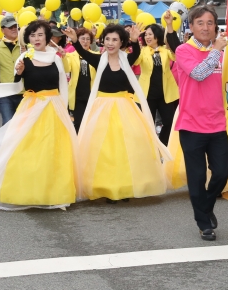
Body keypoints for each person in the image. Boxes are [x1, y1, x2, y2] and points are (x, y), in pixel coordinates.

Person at [0, 20, 79, 210]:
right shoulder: (24, 57)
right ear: (28, 38)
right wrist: (19, 74)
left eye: (40, 35)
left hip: (54, 107)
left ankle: (55, 192)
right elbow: (19, 85)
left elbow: (63, 85)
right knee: (25, 147)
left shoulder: (56, 57)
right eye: (33, 35)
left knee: (53, 150)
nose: (36, 39)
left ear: (47, 37)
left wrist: (66, 109)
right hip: (32, 106)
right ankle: (25, 191)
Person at [62, 23, 171, 203]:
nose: (110, 43)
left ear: (121, 42)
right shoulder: (98, 59)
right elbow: (83, 53)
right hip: (101, 108)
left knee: (126, 148)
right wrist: (74, 41)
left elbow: (135, 53)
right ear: (103, 41)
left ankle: (125, 186)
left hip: (125, 108)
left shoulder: (127, 59)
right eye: (107, 39)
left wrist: (135, 41)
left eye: (115, 40)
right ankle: (107, 187)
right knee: (104, 150)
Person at [166, 6, 228, 240]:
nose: (206, 27)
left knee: (223, 172)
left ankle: (207, 204)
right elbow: (199, 73)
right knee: (197, 176)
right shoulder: (184, 50)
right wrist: (216, 51)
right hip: (191, 125)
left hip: (218, 124)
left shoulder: (225, 52)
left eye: (210, 23)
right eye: (200, 23)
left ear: (216, 26)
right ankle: (204, 223)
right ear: (191, 26)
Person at [134, 21, 180, 146]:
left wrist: (170, 31)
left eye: (150, 34)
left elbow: (177, 56)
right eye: (146, 35)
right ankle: (150, 147)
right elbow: (136, 61)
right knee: (147, 124)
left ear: (157, 36)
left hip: (166, 94)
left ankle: (162, 144)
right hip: (148, 94)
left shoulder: (165, 50)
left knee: (170, 122)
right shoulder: (142, 51)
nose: (147, 37)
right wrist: (134, 44)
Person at [0, 14, 24, 126]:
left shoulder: (24, 45)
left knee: (22, 126)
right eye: (10, 27)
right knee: (8, 124)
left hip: (23, 91)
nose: (13, 29)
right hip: (5, 93)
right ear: (2, 30)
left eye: (15, 26)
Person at [64, 28, 97, 132]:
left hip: (92, 94)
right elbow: (67, 69)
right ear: (77, 40)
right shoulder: (70, 55)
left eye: (88, 39)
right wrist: (63, 57)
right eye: (82, 39)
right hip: (77, 96)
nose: (85, 41)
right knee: (78, 123)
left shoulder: (95, 55)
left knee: (91, 123)